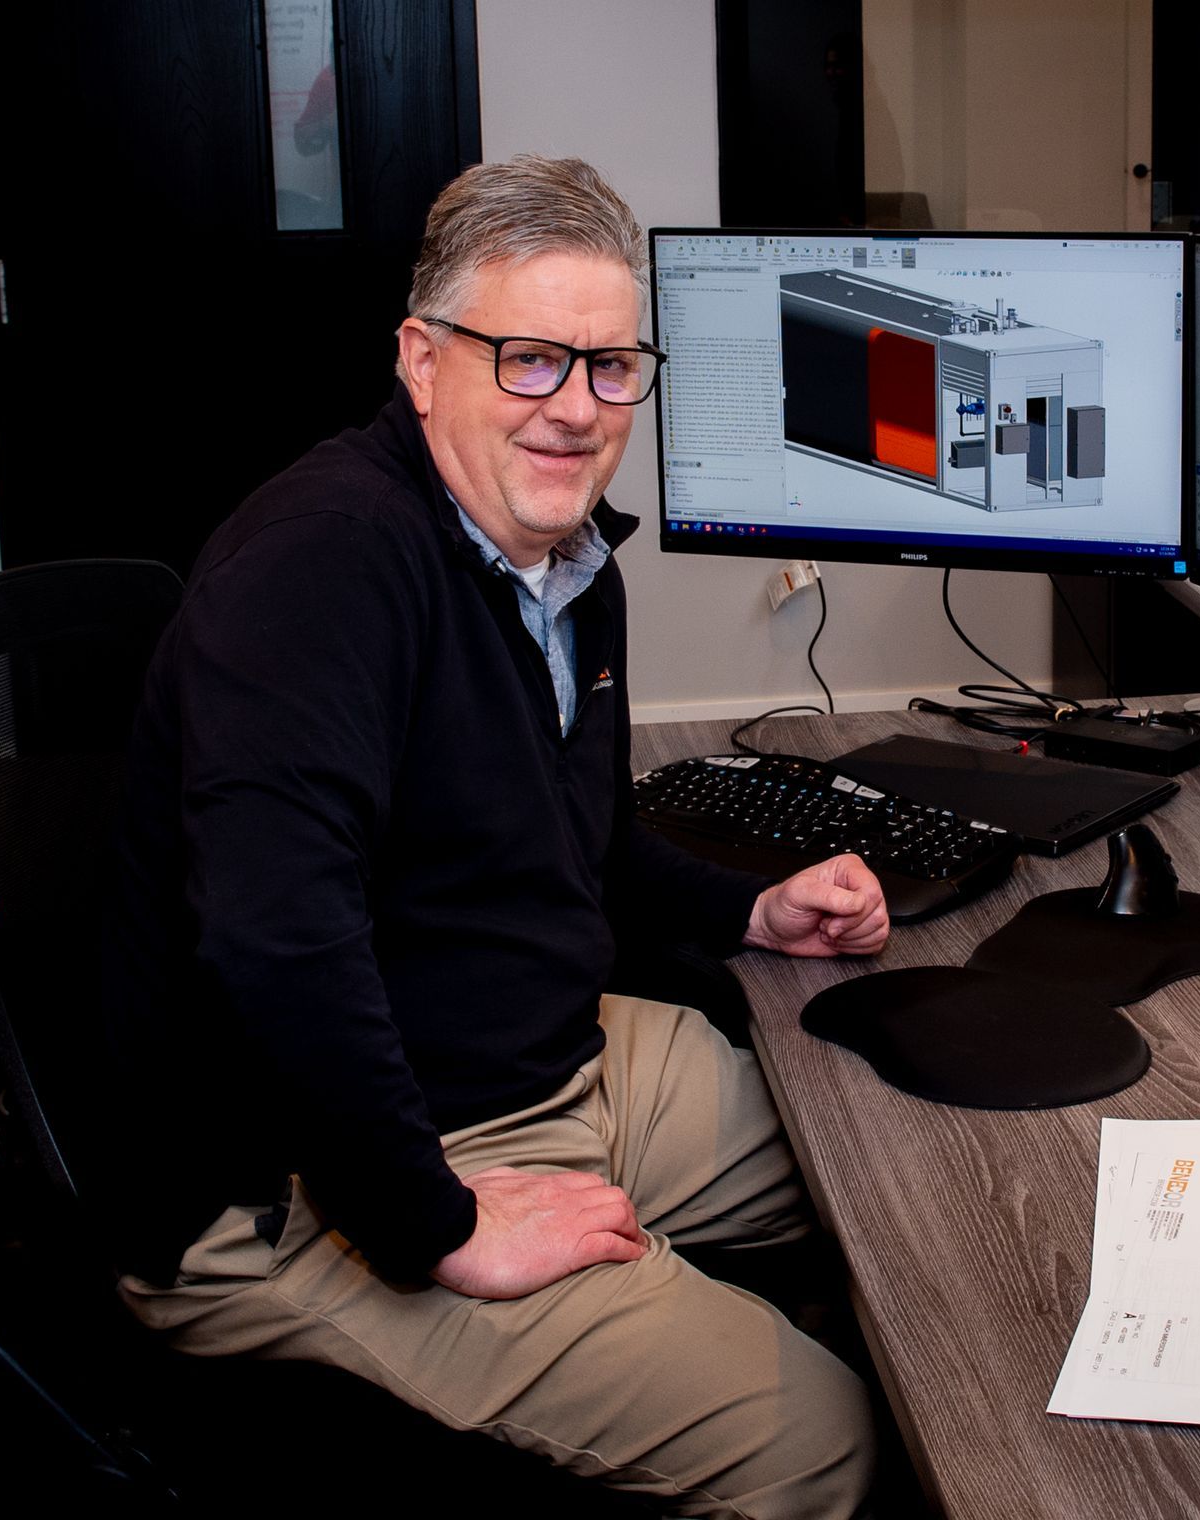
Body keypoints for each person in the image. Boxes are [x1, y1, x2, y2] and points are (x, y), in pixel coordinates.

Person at [106, 154, 888, 1517]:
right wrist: (439, 1225)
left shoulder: (561, 562)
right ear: (422, 362)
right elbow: (276, 943)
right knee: (823, 1444)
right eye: (529, 360)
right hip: (314, 1174)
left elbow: (575, 837)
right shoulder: (322, 566)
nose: (576, 409)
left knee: (881, 1152)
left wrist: (747, 912)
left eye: (611, 367)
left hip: (527, 1057)